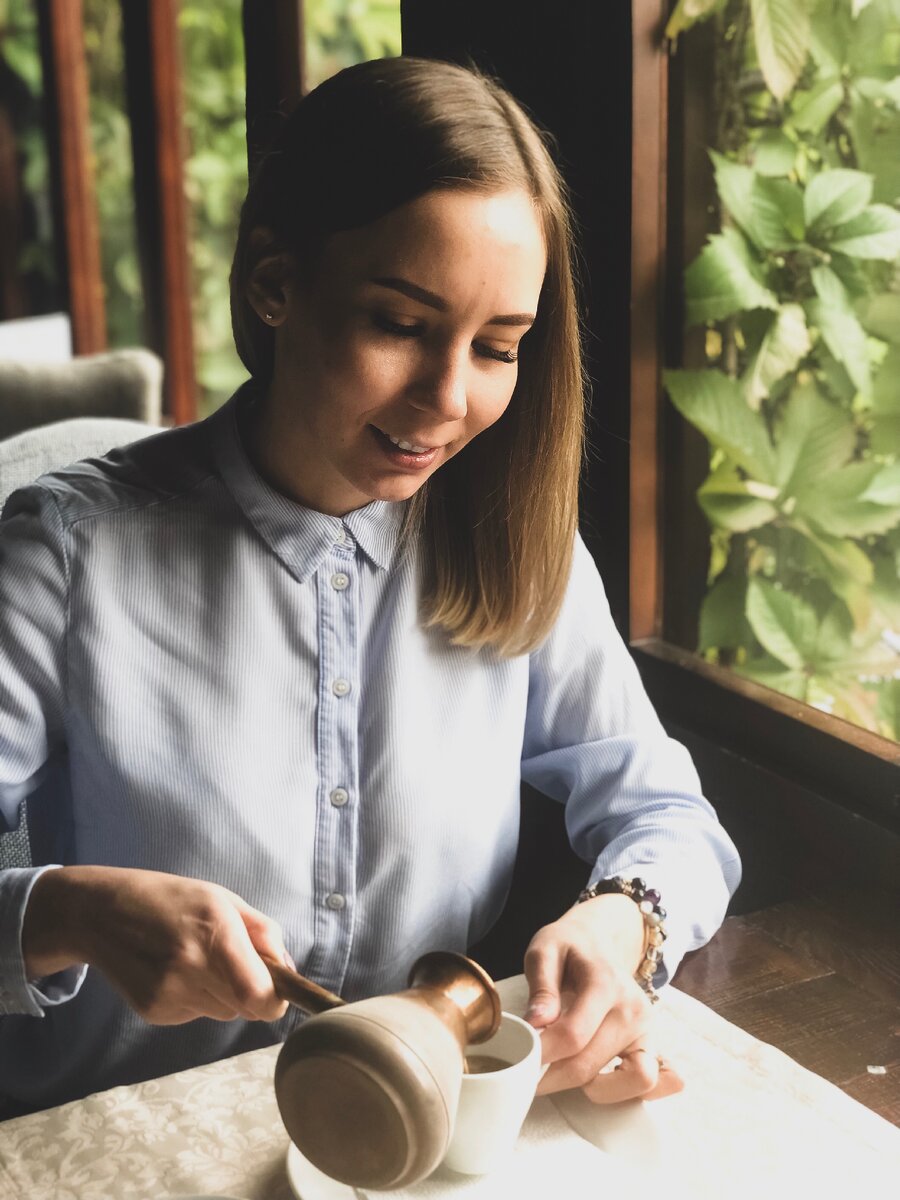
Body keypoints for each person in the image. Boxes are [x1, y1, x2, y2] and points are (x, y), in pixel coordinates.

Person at [0, 56, 741, 1119]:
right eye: (400, 325)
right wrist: (64, 914)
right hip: (110, 1148)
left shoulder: (513, 540)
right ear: (275, 285)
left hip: (404, 1136)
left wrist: (626, 919)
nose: (447, 399)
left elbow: (666, 812)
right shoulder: (67, 555)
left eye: (498, 347)